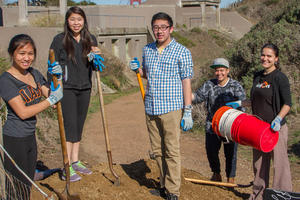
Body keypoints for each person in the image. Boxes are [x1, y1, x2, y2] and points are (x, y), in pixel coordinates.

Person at [130, 12, 193, 200]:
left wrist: (187, 110)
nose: (159, 31)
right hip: (151, 106)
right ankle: (164, 186)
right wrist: (139, 71)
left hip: (172, 108)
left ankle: (173, 191)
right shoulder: (147, 50)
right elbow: (148, 75)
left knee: (171, 150)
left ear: (171, 29)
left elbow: (186, 81)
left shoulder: (182, 51)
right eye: (156, 27)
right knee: (157, 151)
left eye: (163, 27)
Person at [0, 34, 63, 199]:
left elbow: (54, 98)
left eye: (30, 53)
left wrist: (58, 80)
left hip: (29, 137)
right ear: (12, 53)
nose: (26, 58)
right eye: (22, 53)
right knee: (16, 186)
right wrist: (51, 100)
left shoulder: (34, 73)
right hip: (14, 139)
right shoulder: (6, 81)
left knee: (27, 183)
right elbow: (23, 112)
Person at [49, 6, 105, 182]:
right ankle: (66, 165)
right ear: (67, 20)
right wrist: (53, 86)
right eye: (72, 19)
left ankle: (75, 161)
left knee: (79, 125)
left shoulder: (90, 39)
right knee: (69, 127)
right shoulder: (59, 40)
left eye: (79, 19)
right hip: (67, 88)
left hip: (85, 87)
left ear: (84, 21)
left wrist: (96, 58)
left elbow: (97, 64)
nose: (76, 23)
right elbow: (51, 66)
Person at [248, 43, 292, 200]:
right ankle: (258, 194)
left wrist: (278, 119)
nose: (265, 58)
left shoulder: (280, 78)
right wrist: (241, 104)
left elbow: (288, 103)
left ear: (276, 59)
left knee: (280, 164)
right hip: (259, 129)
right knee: (259, 164)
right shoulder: (257, 76)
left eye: (269, 56)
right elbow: (255, 98)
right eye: (263, 55)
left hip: (275, 129)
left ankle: (283, 195)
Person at [192, 58, 246, 184]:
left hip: (229, 126)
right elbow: (197, 97)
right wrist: (185, 93)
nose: (219, 73)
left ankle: (230, 178)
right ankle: (216, 174)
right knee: (211, 150)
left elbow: (243, 106)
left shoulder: (235, 86)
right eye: (217, 70)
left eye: (222, 70)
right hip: (212, 125)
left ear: (228, 71)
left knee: (231, 153)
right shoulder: (209, 84)